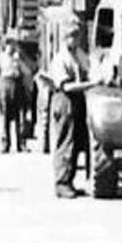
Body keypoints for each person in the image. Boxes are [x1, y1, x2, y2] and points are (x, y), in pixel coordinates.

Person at [47, 38, 92, 197]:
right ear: (65, 38)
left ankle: (69, 181)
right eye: (72, 35)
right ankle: (61, 183)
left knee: (76, 141)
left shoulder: (77, 55)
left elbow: (88, 68)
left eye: (78, 33)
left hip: (77, 99)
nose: (76, 38)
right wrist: (91, 84)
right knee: (66, 141)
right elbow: (66, 86)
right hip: (65, 99)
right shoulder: (61, 59)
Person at [0, 37, 28, 153]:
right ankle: (5, 143)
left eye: (13, 44)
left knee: (20, 116)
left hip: (17, 86)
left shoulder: (18, 58)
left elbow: (26, 72)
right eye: (9, 44)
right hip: (4, 85)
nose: (11, 47)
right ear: (5, 46)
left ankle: (21, 144)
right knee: (5, 116)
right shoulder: (0, 58)